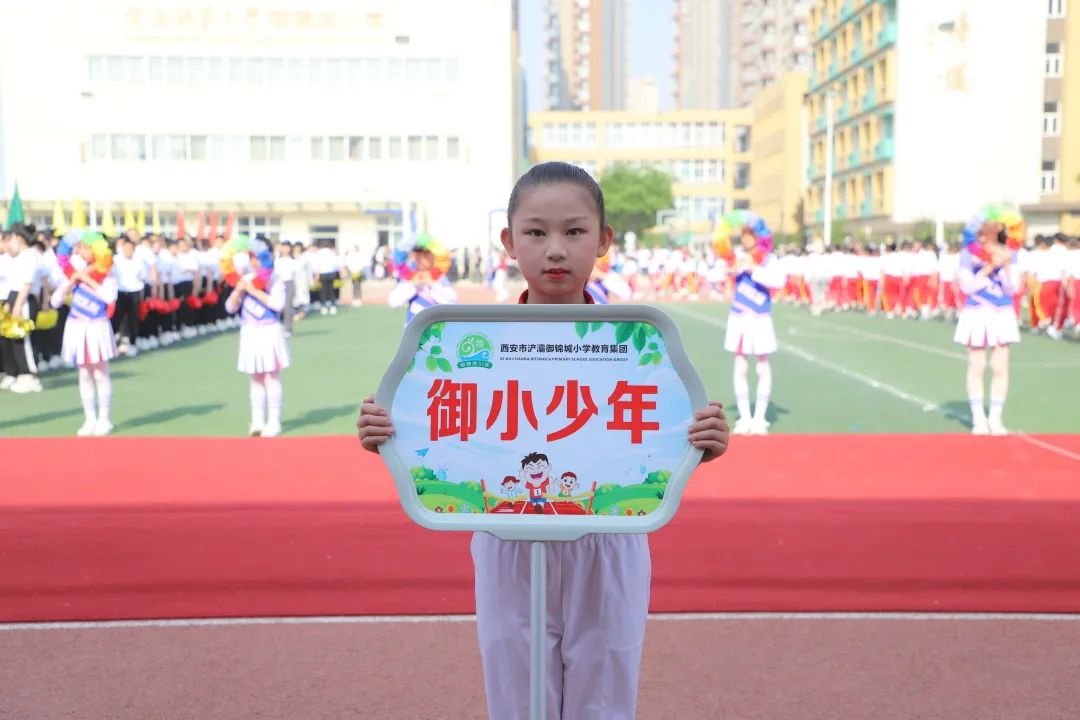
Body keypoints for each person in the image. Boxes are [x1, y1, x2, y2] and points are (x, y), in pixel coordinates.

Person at [356, 161, 730, 720]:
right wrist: (390, 433)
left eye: (574, 232)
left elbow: (666, 430)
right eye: (536, 232)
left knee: (603, 688)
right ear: (508, 242)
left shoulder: (639, 346)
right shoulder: (465, 347)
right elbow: (430, 424)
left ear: (603, 240)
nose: (555, 249)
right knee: (516, 690)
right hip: (507, 534)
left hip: (608, 540)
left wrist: (703, 439)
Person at [954, 217, 1022, 436]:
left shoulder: (1010, 253)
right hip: (976, 312)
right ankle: (978, 418)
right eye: (983, 231)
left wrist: (1005, 267)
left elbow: (1014, 288)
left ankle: (995, 417)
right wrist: (991, 265)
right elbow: (967, 286)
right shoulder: (968, 254)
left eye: (993, 230)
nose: (987, 235)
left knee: (1000, 367)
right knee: (977, 366)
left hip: (1002, 313)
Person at [51, 232, 118, 435]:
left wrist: (88, 280)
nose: (82, 251)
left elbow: (109, 297)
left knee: (100, 372)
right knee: (84, 373)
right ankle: (89, 418)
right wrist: (72, 283)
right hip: (77, 327)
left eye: (85, 247)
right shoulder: (74, 272)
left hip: (97, 327)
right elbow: (55, 302)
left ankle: (104, 419)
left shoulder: (107, 273)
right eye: (79, 247)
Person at [225, 236, 289, 437]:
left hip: (269, 331)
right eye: (251, 256)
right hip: (250, 332)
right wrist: (237, 293)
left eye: (258, 256)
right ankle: (257, 421)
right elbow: (229, 307)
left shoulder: (276, 279)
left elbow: (277, 305)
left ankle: (274, 421)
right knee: (256, 377)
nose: (254, 261)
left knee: (271, 376)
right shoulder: (245, 278)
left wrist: (253, 291)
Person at [724, 222, 784, 435]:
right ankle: (744, 417)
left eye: (750, 235)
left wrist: (754, 270)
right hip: (739, 317)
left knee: (761, 366)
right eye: (744, 235)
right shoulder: (736, 256)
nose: (746, 239)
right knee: (740, 366)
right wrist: (728, 270)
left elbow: (779, 282)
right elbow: (715, 275)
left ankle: (760, 417)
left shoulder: (768, 259)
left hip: (760, 318)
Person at [0, 224, 44, 393]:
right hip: (15, 297)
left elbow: (27, 284)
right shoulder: (21, 257)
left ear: (18, 238)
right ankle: (22, 374)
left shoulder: (30, 256)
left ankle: (30, 375)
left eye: (12, 238)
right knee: (15, 339)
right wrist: (11, 303)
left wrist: (18, 304)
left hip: (24, 299)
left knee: (23, 339)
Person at [387, 237, 458, 324]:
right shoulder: (410, 277)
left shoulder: (440, 278)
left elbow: (452, 302)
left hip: (434, 329)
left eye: (425, 255)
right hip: (413, 328)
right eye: (418, 256)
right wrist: (413, 285)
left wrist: (432, 285)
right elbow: (394, 302)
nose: (420, 259)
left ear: (432, 257)